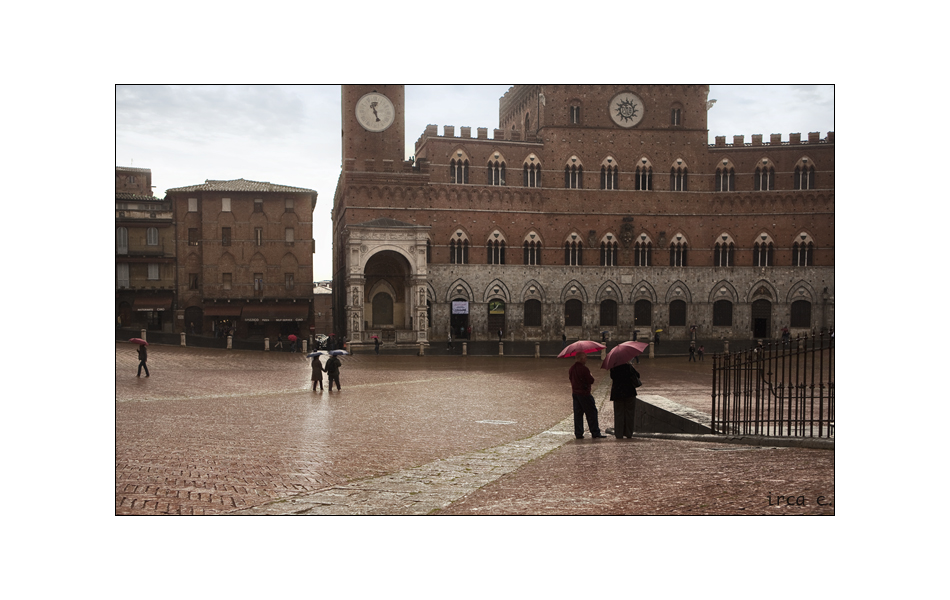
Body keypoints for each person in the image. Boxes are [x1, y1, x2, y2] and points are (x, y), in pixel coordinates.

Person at [568, 352, 606, 439]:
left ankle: (578, 433)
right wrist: (591, 375)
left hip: (575, 394)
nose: (587, 359)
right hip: (584, 394)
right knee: (591, 413)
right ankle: (595, 432)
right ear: (581, 359)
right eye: (585, 357)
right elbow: (591, 380)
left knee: (578, 414)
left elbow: (571, 379)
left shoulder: (572, 369)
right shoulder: (584, 369)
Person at [609, 361, 640, 438]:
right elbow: (637, 375)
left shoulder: (613, 368)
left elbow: (612, 377)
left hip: (617, 393)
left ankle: (619, 434)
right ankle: (629, 433)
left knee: (619, 414)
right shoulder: (628, 367)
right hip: (629, 392)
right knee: (629, 414)